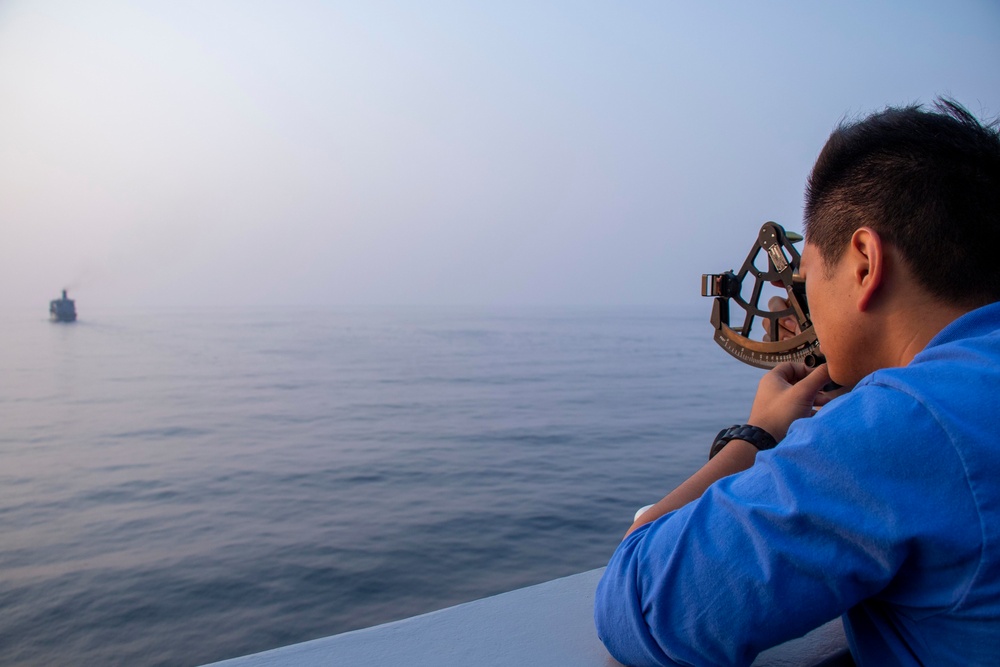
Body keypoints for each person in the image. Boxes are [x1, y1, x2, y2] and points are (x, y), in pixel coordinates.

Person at [594, 98, 1000, 666]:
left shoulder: (904, 425)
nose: (805, 304)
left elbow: (640, 601)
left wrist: (759, 432)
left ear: (863, 263)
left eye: (807, 278)